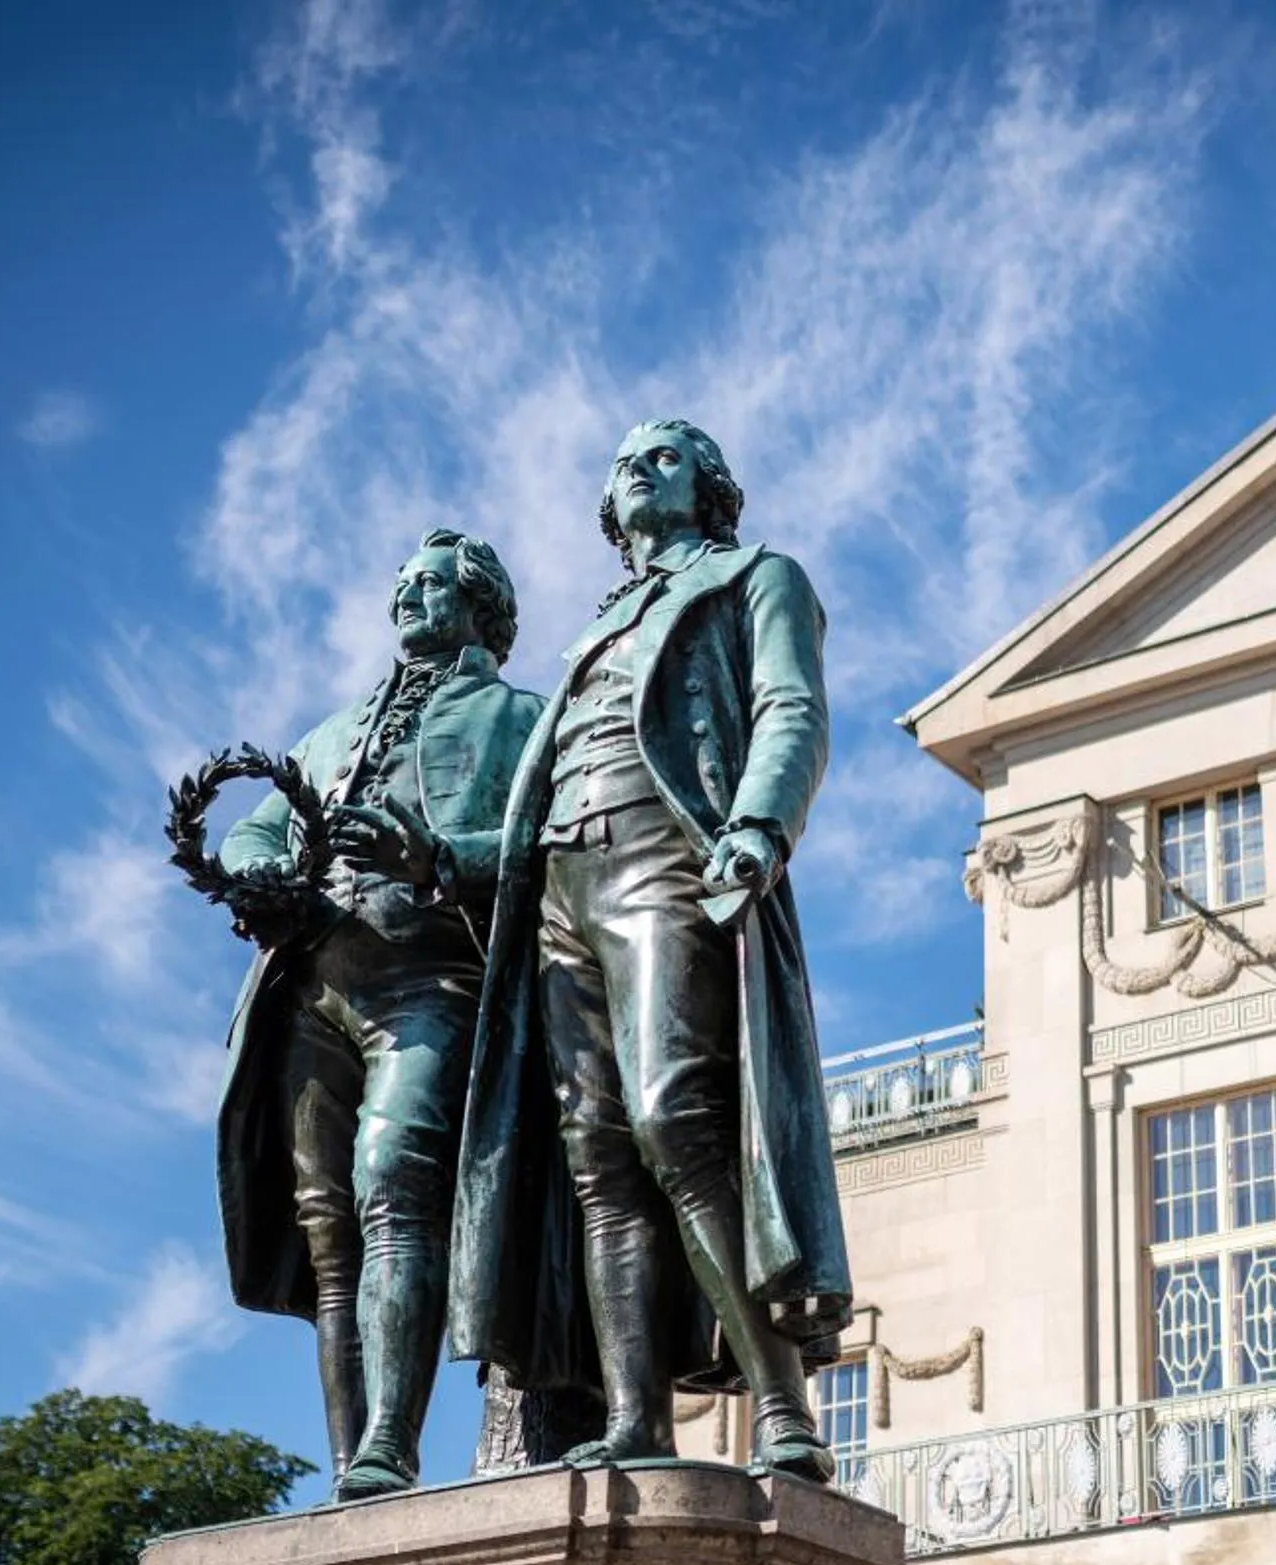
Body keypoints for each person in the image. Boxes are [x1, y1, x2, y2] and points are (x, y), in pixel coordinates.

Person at [450, 421, 852, 1481]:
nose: (638, 467)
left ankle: (782, 1409)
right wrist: (436, 854)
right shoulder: (594, 630)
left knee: (674, 1116)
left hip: (663, 854)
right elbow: (535, 793)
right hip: (557, 887)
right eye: (624, 460)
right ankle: (635, 1416)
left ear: (711, 487)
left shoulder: (757, 575)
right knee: (596, 1156)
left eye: (666, 454)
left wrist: (758, 825)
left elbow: (791, 708)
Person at [215, 529, 546, 1498]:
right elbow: (253, 828)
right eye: (401, 583)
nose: (408, 596)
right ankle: (351, 1463)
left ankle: (389, 1445)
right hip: (309, 988)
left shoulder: (523, 718)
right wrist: (256, 871)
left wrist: (437, 855)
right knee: (329, 1230)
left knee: (394, 1181)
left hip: (432, 978)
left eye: (431, 583)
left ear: (480, 604)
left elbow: (547, 840)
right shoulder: (329, 734)